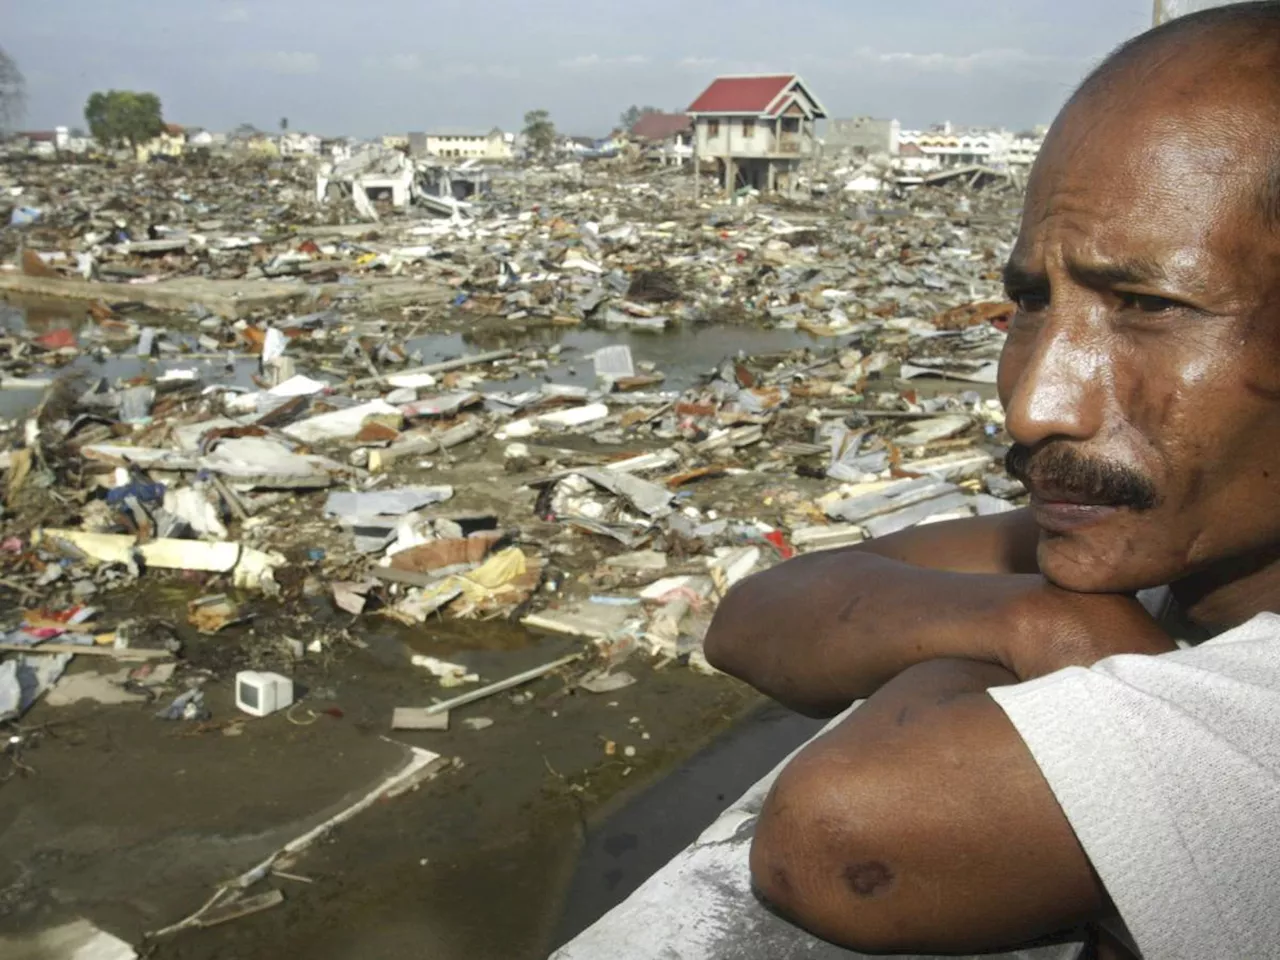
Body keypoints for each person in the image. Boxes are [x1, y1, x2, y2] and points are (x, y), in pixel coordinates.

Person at [703, 6, 1280, 959]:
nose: (1032, 405)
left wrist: (990, 634)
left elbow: (837, 836)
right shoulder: (1186, 546)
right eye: (1032, 300)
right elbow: (758, 612)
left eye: (1148, 305)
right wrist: (1041, 623)